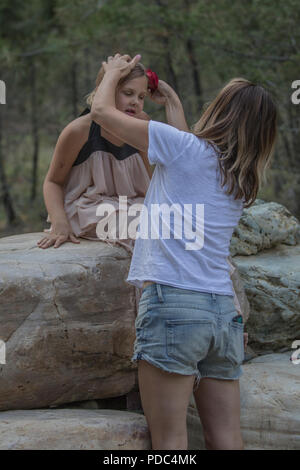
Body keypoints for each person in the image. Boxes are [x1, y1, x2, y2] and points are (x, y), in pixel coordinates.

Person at [90, 53, 277, 450]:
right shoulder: (240, 182)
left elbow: (102, 113)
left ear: (220, 111)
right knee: (227, 439)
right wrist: (172, 102)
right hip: (224, 317)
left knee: (171, 443)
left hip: (174, 304)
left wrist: (111, 74)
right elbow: (188, 153)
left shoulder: (185, 150)